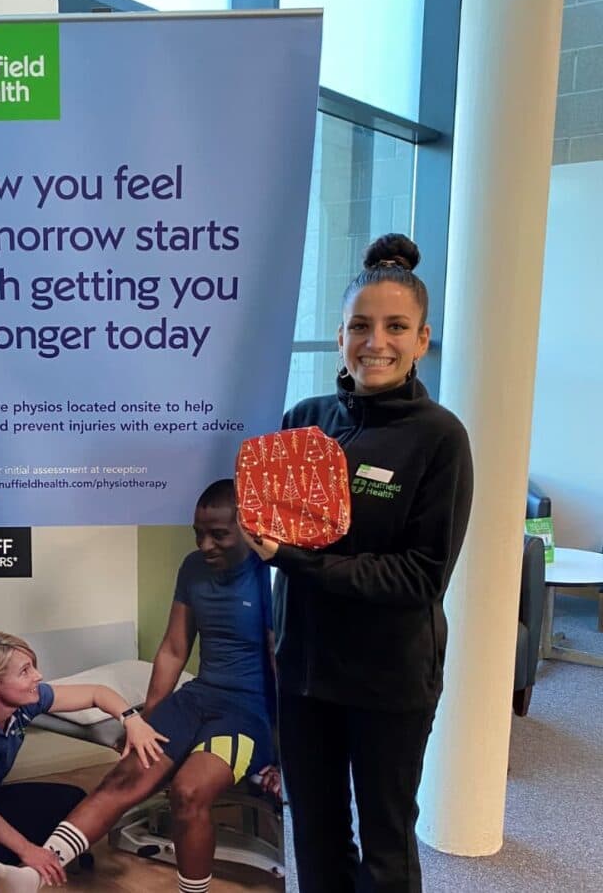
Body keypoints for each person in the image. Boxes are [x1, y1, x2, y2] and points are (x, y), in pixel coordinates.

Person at [243, 233, 474, 893]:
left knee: (385, 844)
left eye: (396, 326)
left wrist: (295, 560)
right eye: (361, 326)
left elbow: (418, 577)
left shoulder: (439, 438)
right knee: (314, 832)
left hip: (389, 680)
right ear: (340, 335)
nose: (377, 342)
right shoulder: (306, 421)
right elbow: (268, 524)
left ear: (423, 338)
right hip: (306, 676)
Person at [0, 480, 279, 893]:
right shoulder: (192, 568)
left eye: (219, 535)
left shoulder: (271, 576)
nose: (206, 545)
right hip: (198, 697)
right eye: (198, 534)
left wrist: (284, 750)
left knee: (188, 792)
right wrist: (146, 718)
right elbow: (174, 649)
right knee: (122, 778)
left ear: (249, 528)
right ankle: (31, 876)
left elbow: (285, 666)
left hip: (247, 712)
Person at [0, 631, 167, 891]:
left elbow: (97, 693)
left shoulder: (25, 704)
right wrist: (27, 848)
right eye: (25, 671)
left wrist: (132, 720)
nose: (37, 677)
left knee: (68, 800)